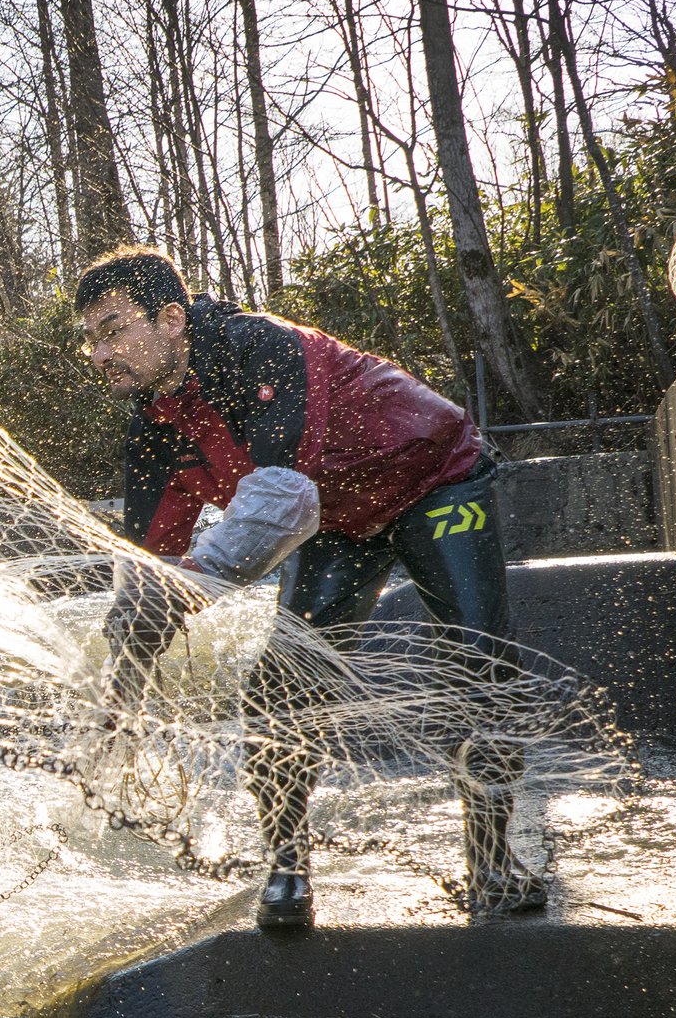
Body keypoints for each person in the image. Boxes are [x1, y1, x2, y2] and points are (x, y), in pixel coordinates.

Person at [76, 244, 542, 932]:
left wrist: (188, 589)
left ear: (172, 319)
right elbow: (146, 579)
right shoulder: (151, 433)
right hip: (336, 518)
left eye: (114, 330)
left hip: (434, 479)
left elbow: (279, 503)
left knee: (477, 664)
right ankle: (288, 868)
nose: (99, 354)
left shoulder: (257, 349)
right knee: (279, 687)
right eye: (90, 339)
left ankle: (493, 863)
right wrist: (117, 704)